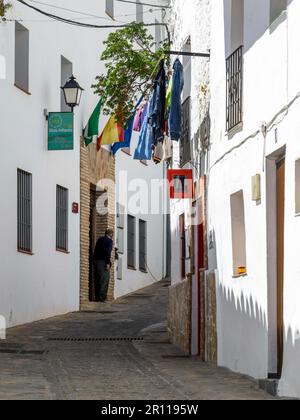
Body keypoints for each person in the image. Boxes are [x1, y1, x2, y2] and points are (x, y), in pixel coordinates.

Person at [94, 229, 114, 302]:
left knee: (97, 279)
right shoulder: (109, 241)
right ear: (111, 234)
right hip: (103, 262)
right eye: (112, 234)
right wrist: (108, 263)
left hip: (96, 261)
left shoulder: (100, 239)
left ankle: (97, 297)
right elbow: (107, 252)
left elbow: (96, 250)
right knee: (105, 280)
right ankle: (102, 298)